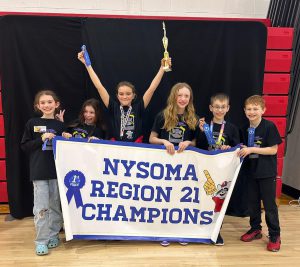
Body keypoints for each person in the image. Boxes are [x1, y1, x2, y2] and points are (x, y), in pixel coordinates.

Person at [77, 46, 171, 143]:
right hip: (116, 147)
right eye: (121, 94)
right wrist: (87, 65)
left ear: (133, 95)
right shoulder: (113, 107)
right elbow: (99, 86)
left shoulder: (139, 107)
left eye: (128, 94)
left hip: (135, 148)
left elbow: (152, 89)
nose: (124, 96)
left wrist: (162, 68)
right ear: (117, 96)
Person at [149, 82, 198, 246]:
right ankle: (165, 232)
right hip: (165, 165)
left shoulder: (193, 117)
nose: (183, 99)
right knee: (165, 199)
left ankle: (182, 232)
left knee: (182, 200)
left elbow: (196, 141)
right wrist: (163, 141)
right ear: (174, 96)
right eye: (180, 95)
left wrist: (189, 143)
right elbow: (152, 138)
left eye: (186, 96)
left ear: (190, 99)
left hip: (184, 167)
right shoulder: (162, 115)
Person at [21, 90, 65, 256]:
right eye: (43, 102)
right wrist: (41, 138)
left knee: (55, 206)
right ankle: (41, 241)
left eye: (49, 102)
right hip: (39, 172)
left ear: (56, 104)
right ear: (37, 106)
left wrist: (66, 136)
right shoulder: (32, 123)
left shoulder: (60, 126)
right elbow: (25, 146)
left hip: (56, 172)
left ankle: (54, 235)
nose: (46, 105)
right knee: (41, 208)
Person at [238, 95, 282, 252]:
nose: (252, 112)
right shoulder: (244, 128)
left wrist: (251, 149)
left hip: (266, 173)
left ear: (263, 110)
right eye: (249, 109)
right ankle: (255, 229)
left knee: (270, 206)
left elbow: (273, 149)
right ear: (244, 111)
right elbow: (241, 147)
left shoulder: (269, 126)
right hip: (250, 172)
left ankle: (275, 235)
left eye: (255, 109)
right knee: (253, 203)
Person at [195, 93, 240, 246]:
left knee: (217, 202)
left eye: (222, 107)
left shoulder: (232, 128)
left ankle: (216, 231)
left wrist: (229, 148)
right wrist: (201, 132)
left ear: (227, 108)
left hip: (222, 172)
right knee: (201, 200)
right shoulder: (204, 126)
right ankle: (199, 230)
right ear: (211, 108)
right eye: (216, 107)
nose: (219, 110)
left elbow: (237, 149)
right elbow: (198, 146)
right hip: (205, 169)